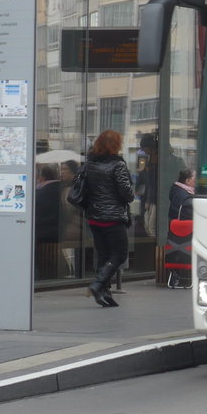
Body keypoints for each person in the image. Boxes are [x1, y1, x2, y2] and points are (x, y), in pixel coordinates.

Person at [80, 130, 135, 308]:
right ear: (116, 145)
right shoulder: (117, 165)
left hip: (94, 217)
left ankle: (105, 292)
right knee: (120, 254)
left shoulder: (90, 163)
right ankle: (97, 285)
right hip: (113, 217)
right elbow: (126, 193)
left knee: (104, 255)